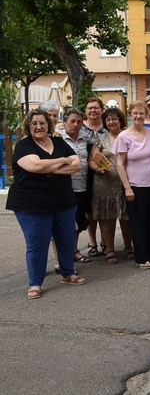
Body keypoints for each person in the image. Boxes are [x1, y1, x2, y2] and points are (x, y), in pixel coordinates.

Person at [8, 110, 85, 299]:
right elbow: (36, 166)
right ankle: (35, 283)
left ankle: (67, 273)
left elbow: (76, 165)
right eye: (34, 123)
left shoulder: (59, 142)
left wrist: (51, 168)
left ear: (48, 125)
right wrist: (61, 162)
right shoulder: (23, 146)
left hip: (63, 201)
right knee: (37, 244)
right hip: (32, 204)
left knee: (66, 239)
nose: (38, 127)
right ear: (28, 126)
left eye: (42, 123)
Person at [113, 101, 150, 269]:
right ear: (130, 115)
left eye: (142, 113)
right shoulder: (123, 136)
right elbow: (120, 164)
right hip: (134, 186)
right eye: (135, 113)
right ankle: (141, 257)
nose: (139, 116)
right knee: (138, 222)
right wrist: (127, 187)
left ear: (146, 114)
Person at [90, 107, 133, 263]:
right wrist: (98, 168)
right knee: (107, 217)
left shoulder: (129, 135)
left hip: (126, 182)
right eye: (108, 120)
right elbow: (92, 159)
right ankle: (110, 249)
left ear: (121, 120)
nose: (111, 122)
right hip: (104, 183)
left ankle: (128, 246)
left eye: (114, 118)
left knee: (127, 216)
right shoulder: (101, 138)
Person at [61, 108, 92, 265]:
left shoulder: (84, 137)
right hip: (65, 188)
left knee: (77, 222)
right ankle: (62, 257)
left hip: (82, 186)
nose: (75, 124)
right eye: (72, 121)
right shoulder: (58, 138)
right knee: (65, 223)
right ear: (65, 122)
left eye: (79, 122)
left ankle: (74, 251)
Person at [80, 97, 106, 257]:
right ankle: (92, 242)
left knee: (103, 207)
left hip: (105, 172)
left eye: (96, 107)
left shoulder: (108, 126)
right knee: (89, 208)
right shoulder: (80, 127)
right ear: (85, 111)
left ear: (101, 110)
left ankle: (105, 241)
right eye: (90, 108)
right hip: (85, 173)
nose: (93, 111)